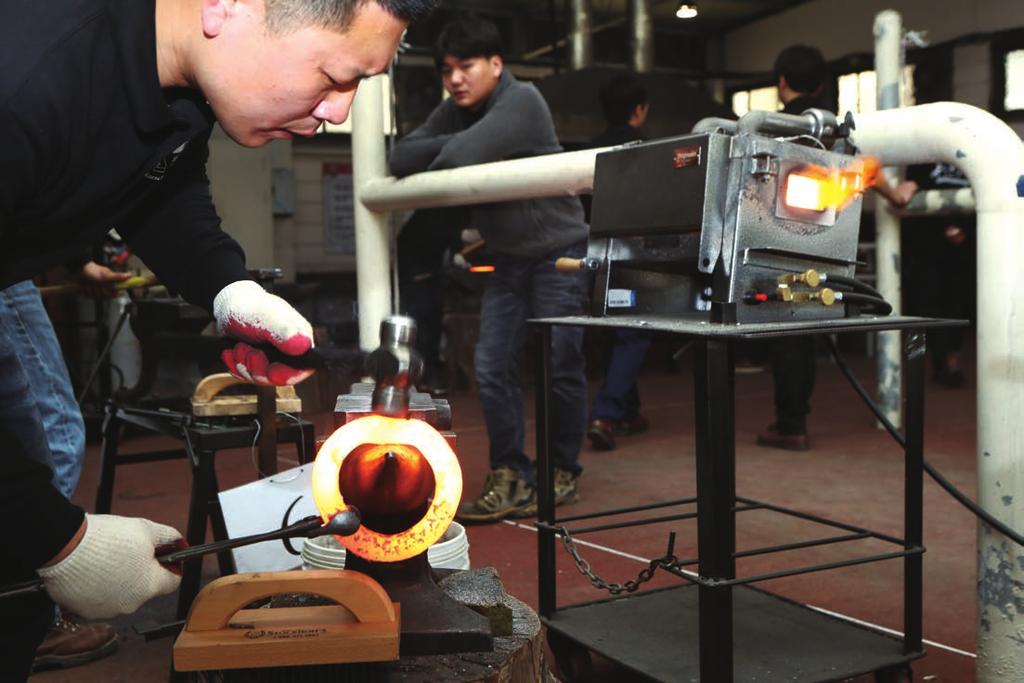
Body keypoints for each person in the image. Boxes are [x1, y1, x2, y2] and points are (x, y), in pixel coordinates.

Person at [0, 0, 437, 678]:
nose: (339, 114)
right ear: (226, 6)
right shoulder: (25, 78)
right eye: (333, 75)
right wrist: (57, 540)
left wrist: (230, 290)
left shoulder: (173, 79)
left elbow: (161, 180)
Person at [390, 15, 589, 523]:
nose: (455, 79)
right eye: (447, 70)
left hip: (558, 254)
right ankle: (511, 472)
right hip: (508, 259)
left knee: (559, 365)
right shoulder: (458, 109)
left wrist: (457, 147)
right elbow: (399, 156)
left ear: (496, 65)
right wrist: (455, 145)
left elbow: (459, 155)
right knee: (491, 367)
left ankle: (562, 470)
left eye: (467, 66)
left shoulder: (521, 101)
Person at [757, 45, 917, 451]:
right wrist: (897, 194)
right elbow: (867, 167)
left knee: (781, 329)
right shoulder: (830, 126)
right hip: (823, 240)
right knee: (804, 326)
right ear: (822, 84)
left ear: (782, 83)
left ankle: (789, 423)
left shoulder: (767, 124)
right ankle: (794, 418)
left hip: (771, 236)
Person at [585, 74, 653, 451]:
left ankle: (627, 411)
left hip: (593, 253)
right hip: (633, 255)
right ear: (639, 111)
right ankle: (606, 415)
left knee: (615, 332)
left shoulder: (590, 151)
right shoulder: (647, 150)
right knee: (633, 334)